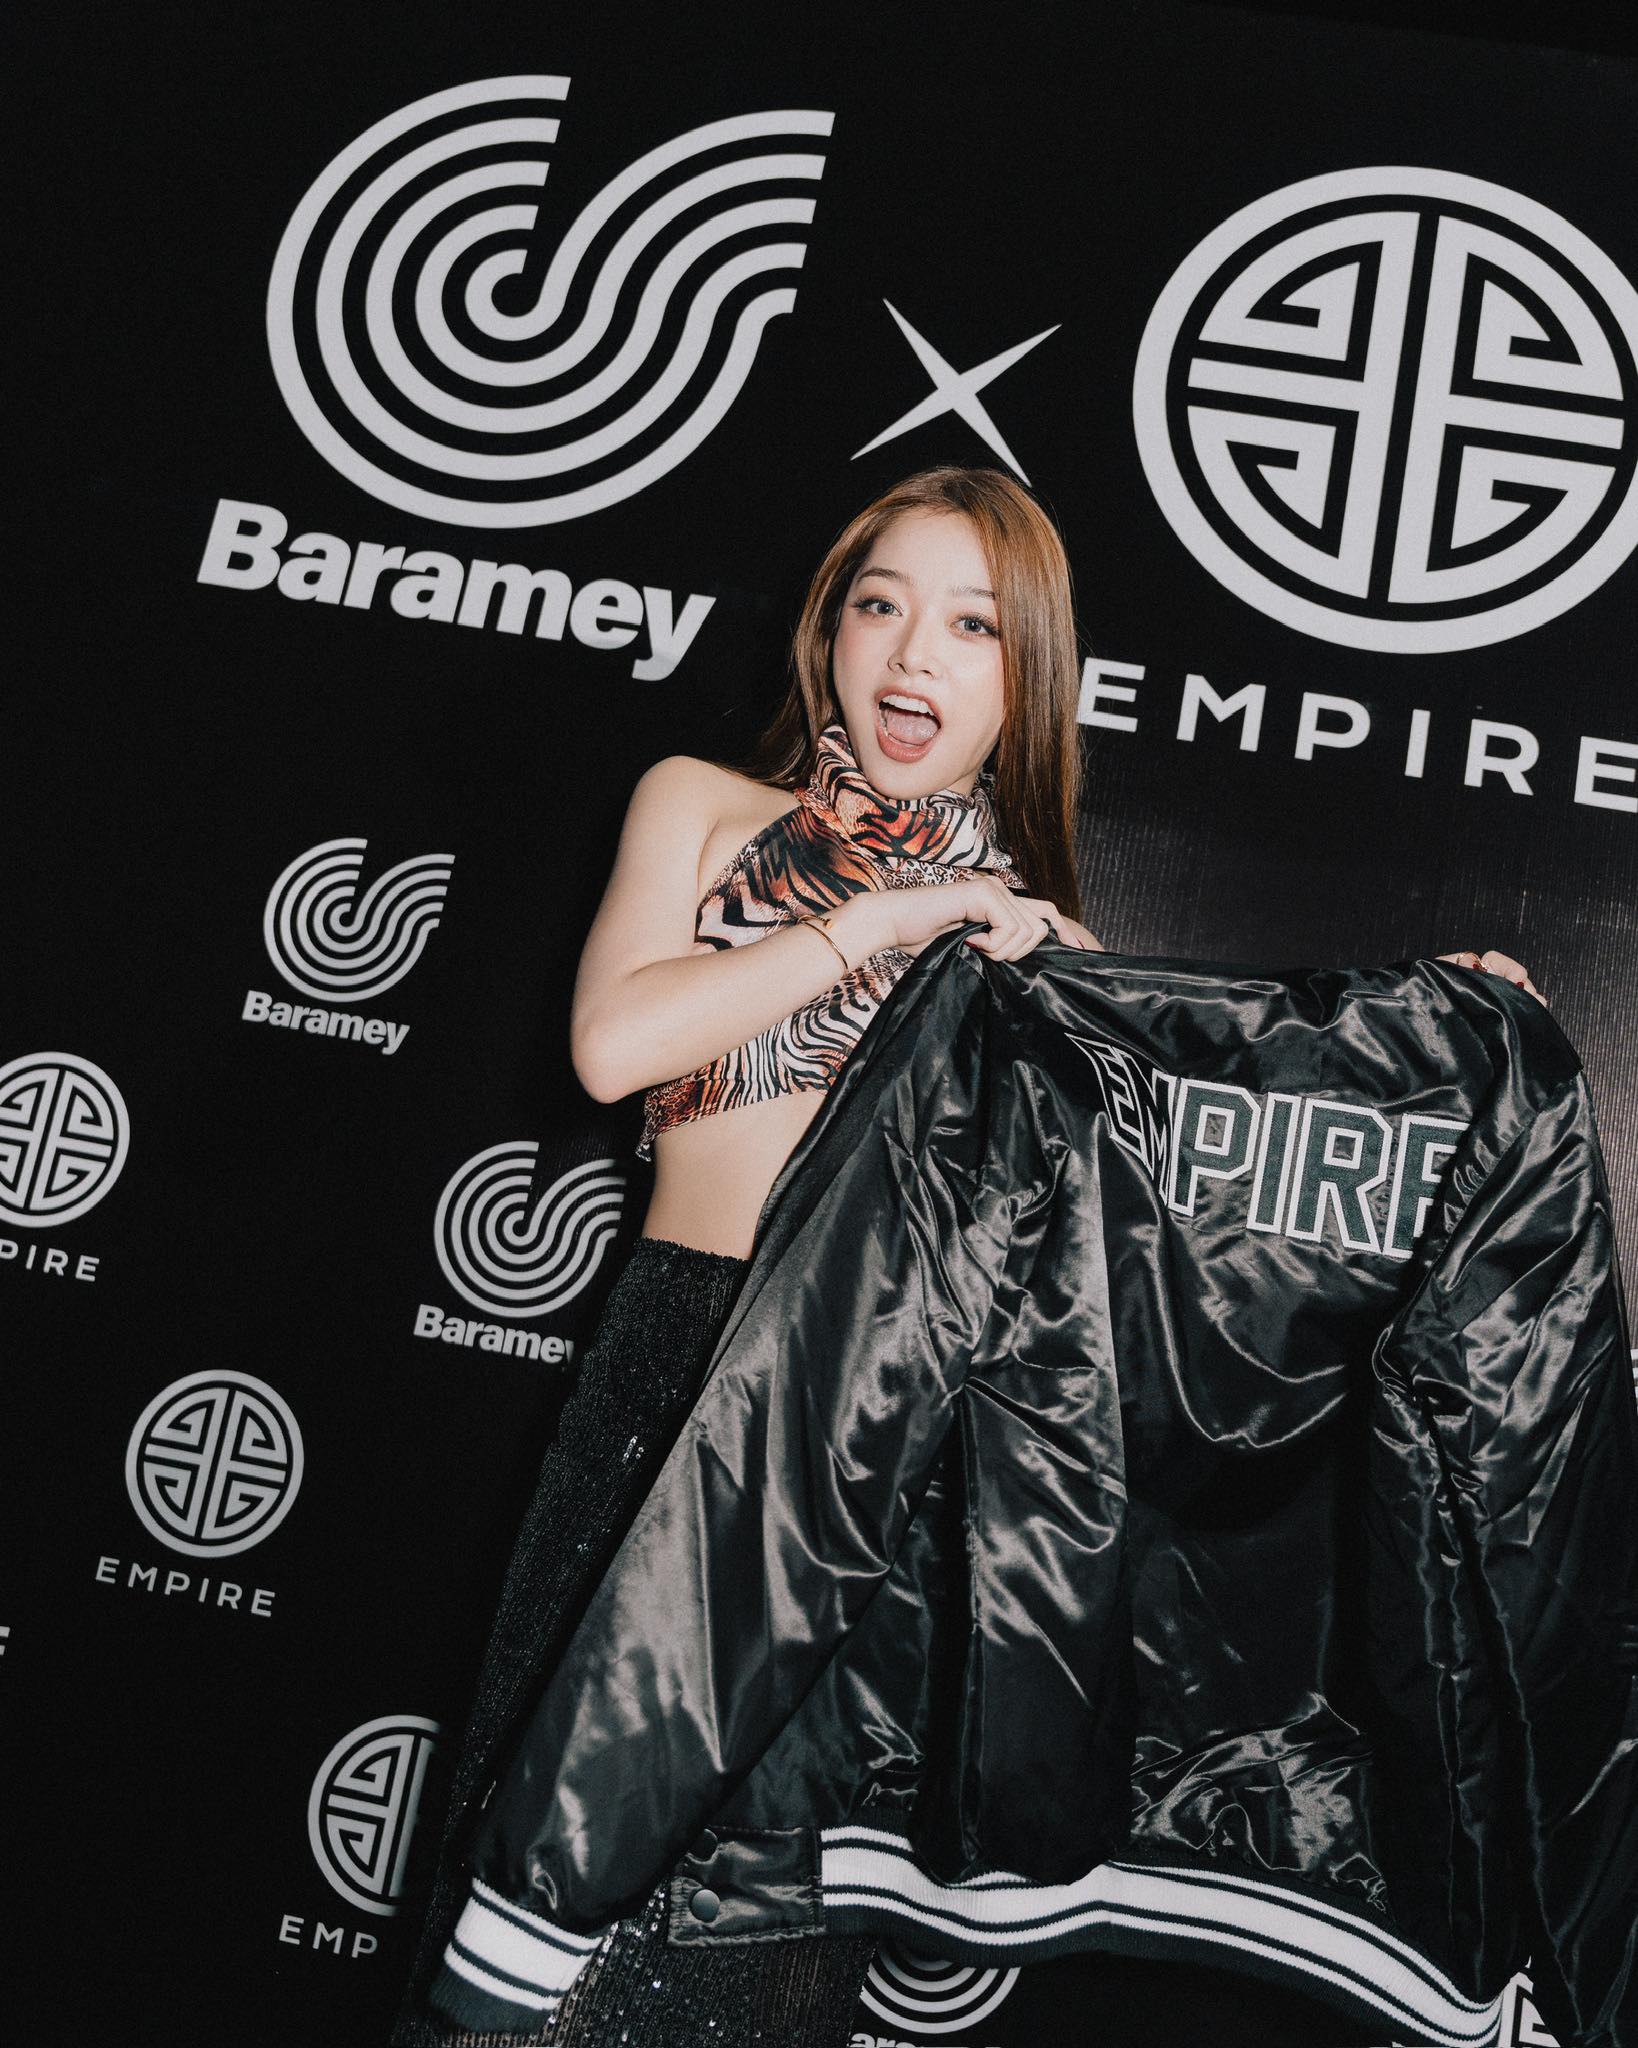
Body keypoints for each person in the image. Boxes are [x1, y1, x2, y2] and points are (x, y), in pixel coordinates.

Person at [390, 463, 1544, 2048]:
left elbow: (1197, 1193)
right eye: (880, 606)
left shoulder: (1039, 949)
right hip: (673, 1377)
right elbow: (612, 1044)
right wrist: (881, 920)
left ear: (1025, 681)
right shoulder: (703, 806)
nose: (911, 652)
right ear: (828, 636)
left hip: (874, 1442)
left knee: (756, 1937)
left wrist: (1428, 1041)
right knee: (533, 1898)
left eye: (971, 625)